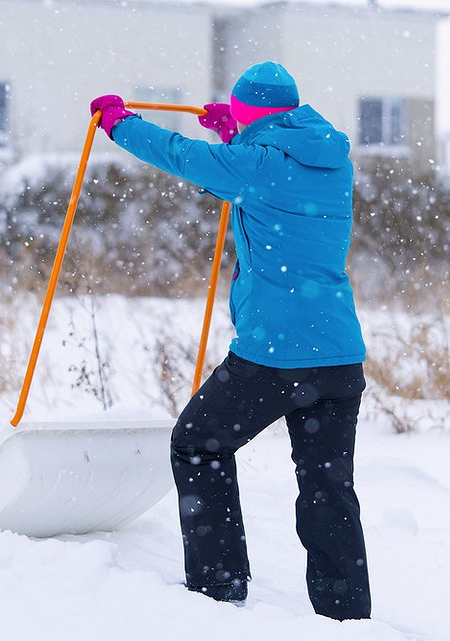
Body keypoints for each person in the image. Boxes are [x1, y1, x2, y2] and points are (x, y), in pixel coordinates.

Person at [89, 61, 370, 620]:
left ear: (251, 115)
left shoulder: (259, 165)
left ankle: (218, 589)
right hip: (339, 356)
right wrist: (237, 135)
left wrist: (121, 125)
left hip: (275, 355)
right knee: (328, 485)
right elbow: (266, 174)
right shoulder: (330, 159)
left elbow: (183, 156)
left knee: (197, 444)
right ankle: (345, 616)